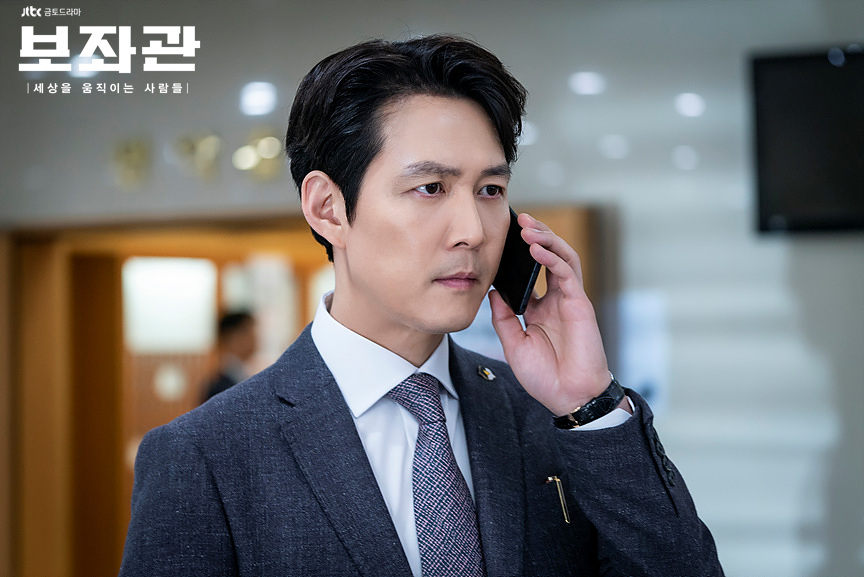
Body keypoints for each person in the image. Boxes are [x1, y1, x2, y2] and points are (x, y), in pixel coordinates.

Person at [120, 35, 724, 576]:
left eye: (490, 190)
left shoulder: (549, 418)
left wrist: (588, 406)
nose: (473, 230)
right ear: (328, 208)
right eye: (430, 188)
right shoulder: (206, 454)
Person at [201, 311, 257, 403]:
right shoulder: (220, 386)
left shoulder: (240, 374)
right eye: (251, 331)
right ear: (234, 336)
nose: (255, 338)